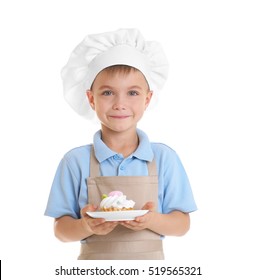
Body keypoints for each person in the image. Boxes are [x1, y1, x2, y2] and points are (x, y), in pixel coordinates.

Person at [44, 28, 197, 260]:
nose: (120, 104)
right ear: (91, 99)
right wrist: (86, 226)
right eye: (107, 93)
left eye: (133, 93)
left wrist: (151, 219)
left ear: (147, 99)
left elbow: (182, 224)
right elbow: (61, 230)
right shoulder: (75, 161)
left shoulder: (164, 158)